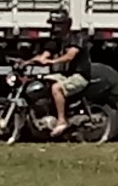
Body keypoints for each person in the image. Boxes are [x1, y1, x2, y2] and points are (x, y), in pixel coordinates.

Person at [31, 7, 90, 138]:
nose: (55, 28)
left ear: (67, 24)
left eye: (58, 24)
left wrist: (52, 61)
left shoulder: (77, 38)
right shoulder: (56, 40)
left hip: (79, 76)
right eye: (53, 24)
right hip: (63, 75)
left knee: (56, 88)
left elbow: (70, 56)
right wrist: (28, 62)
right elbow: (45, 54)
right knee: (42, 83)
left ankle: (61, 120)